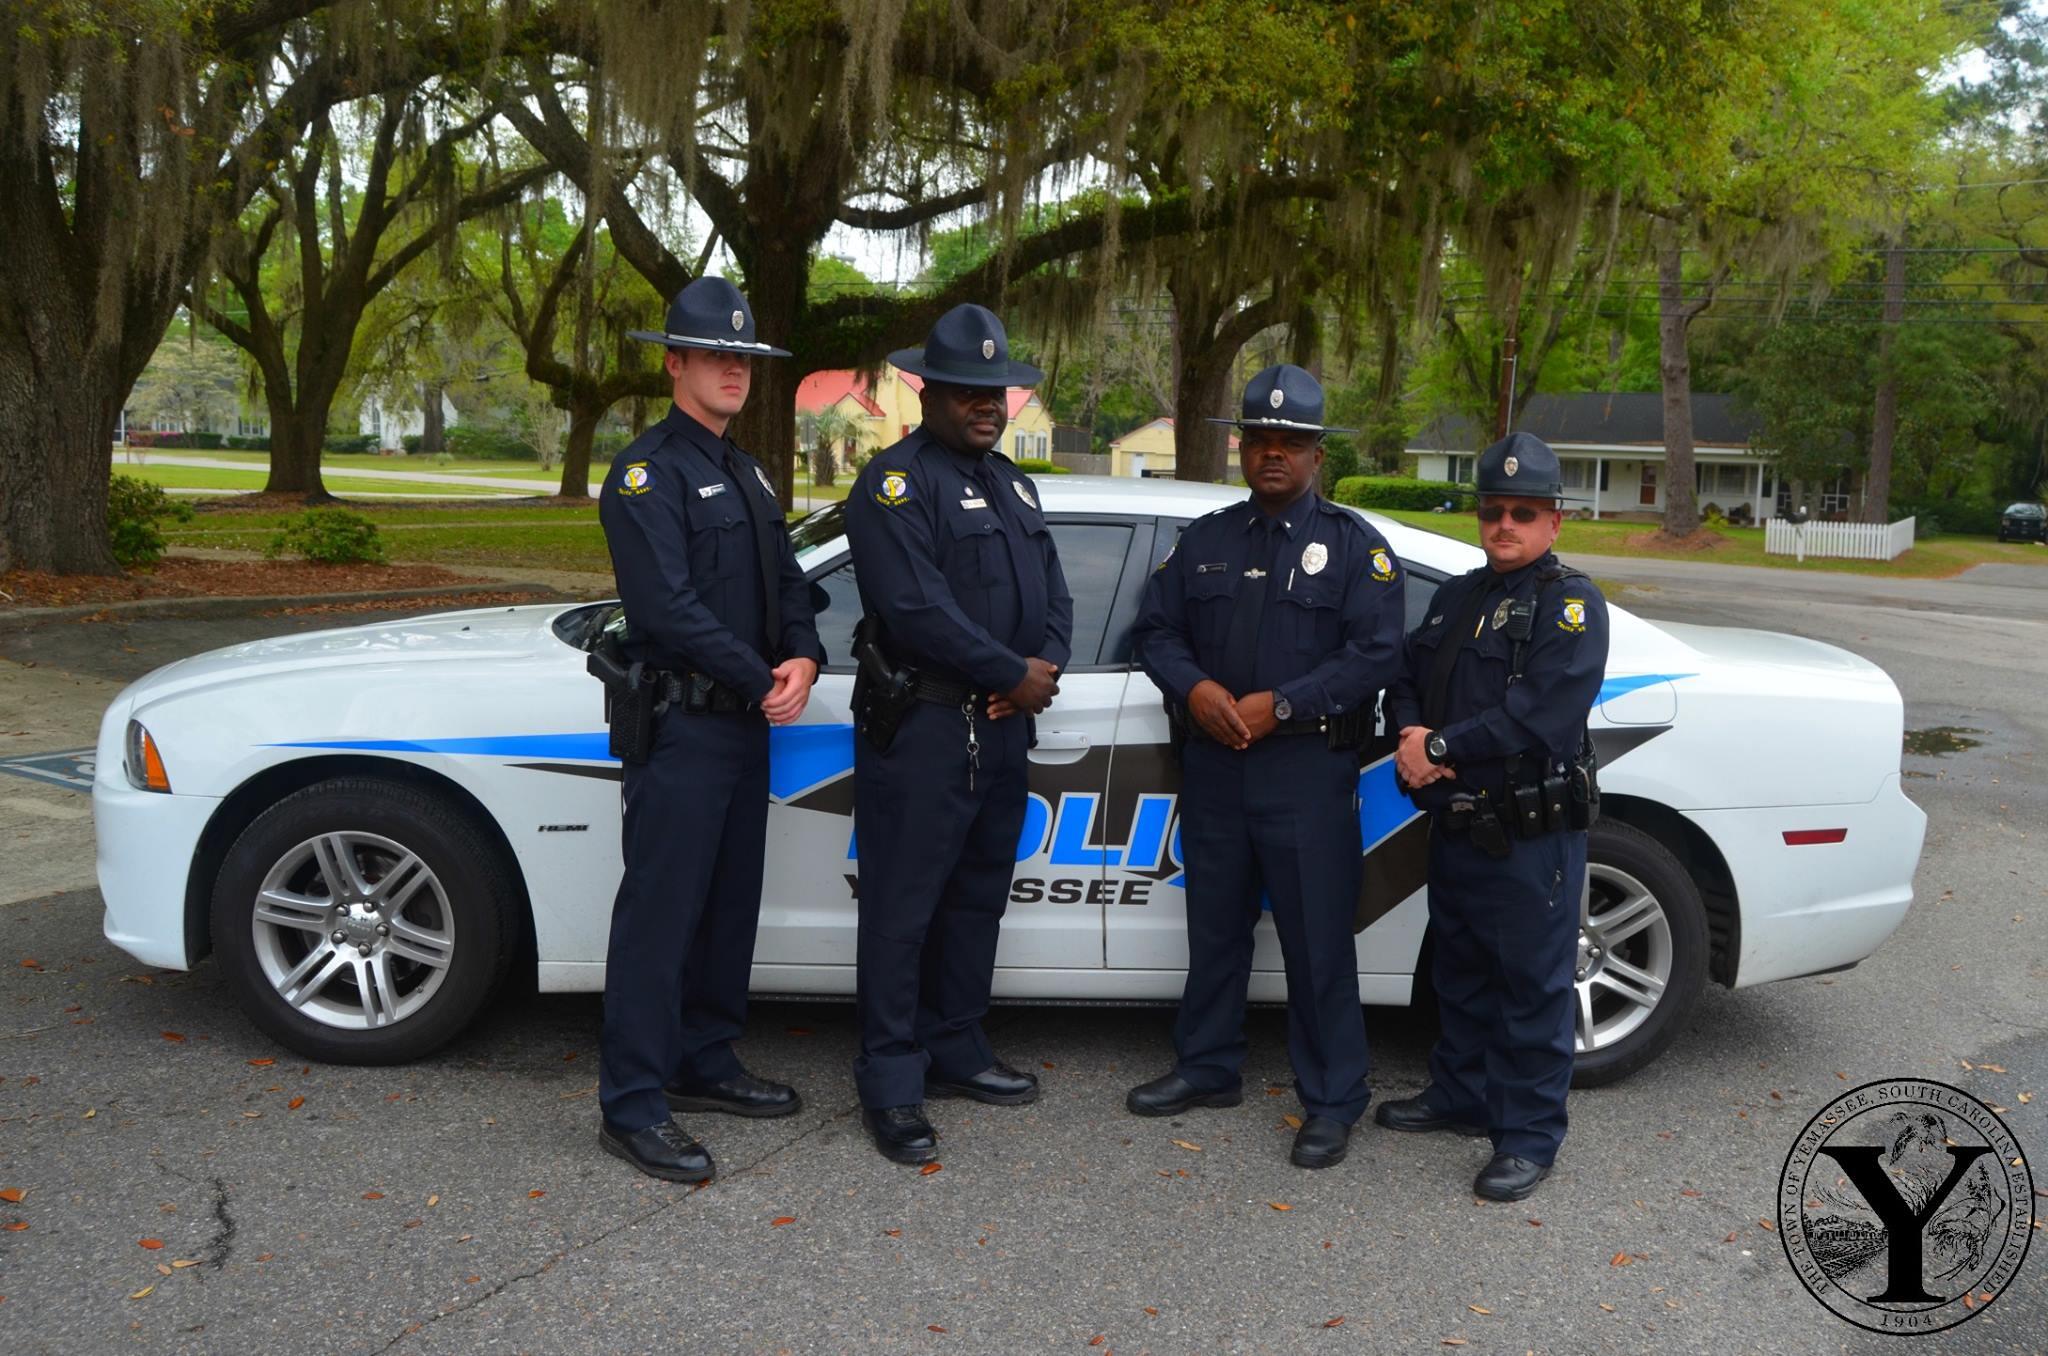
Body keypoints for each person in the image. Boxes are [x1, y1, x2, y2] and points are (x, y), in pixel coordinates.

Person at [1123, 364, 1406, 1170]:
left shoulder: (1356, 549)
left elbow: (1376, 653)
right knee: (1213, 931)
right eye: (1259, 439)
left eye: (1292, 442)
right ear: (1242, 447)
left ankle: (1333, 1098)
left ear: (1318, 455)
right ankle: (1208, 1068)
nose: (1273, 453)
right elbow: (1155, 632)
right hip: (1216, 767)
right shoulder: (1206, 539)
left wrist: (1280, 704)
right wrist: (1200, 688)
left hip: (1306, 771)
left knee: (1319, 942)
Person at [593, 277, 824, 1183]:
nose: (736, 370)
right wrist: (760, 673)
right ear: (674, 362)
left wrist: (802, 654)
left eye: (746, 357)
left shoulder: (748, 469)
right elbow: (668, 606)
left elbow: (791, 582)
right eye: (717, 355)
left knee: (728, 910)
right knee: (660, 916)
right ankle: (633, 1104)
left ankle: (705, 1061)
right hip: (685, 723)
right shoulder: (646, 474)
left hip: (744, 726)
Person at [842, 303, 1073, 1165]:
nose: (988, 404)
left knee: (977, 898)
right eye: (968, 391)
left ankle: (957, 1047)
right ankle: (893, 1081)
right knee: (904, 911)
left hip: (1002, 730)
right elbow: (914, 607)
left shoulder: (1014, 482)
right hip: (927, 726)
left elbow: (1057, 594)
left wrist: (1041, 666)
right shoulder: (896, 484)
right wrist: (1006, 672)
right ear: (927, 390)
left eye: (998, 390)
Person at [1378, 430, 1609, 1202]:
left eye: (1522, 511)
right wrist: (1410, 732)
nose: (1503, 524)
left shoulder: (1570, 604)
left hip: (1529, 834)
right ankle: (1460, 1096)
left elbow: (1541, 712)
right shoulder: (1458, 595)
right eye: (1491, 510)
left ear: (1553, 522)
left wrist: (1439, 741)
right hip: (1458, 826)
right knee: (1461, 973)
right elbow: (1406, 675)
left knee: (1531, 988)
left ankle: (1529, 1137)